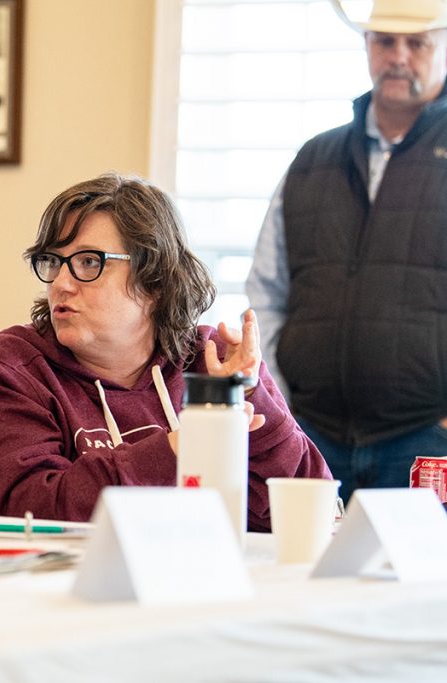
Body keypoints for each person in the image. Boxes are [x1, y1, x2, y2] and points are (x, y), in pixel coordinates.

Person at [0, 173, 330, 527]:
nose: (61, 283)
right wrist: (176, 449)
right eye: (52, 261)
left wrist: (250, 397)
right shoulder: (4, 374)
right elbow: (30, 512)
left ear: (156, 281)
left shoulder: (212, 361)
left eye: (87, 262)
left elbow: (305, 510)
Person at [247, 0, 447, 502]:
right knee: (298, 577)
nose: (397, 56)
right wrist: (281, 406)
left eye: (416, 43)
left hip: (426, 439)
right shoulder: (313, 159)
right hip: (310, 436)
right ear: (365, 45)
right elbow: (267, 292)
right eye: (383, 40)